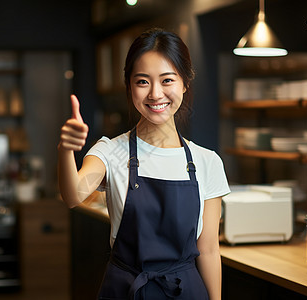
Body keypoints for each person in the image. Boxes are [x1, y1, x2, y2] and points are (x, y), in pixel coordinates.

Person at [58, 28, 230, 300]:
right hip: (126, 290)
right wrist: (66, 150)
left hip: (186, 291)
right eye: (142, 82)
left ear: (185, 83)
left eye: (167, 80)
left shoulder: (207, 161)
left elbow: (208, 249)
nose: (155, 93)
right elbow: (74, 195)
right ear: (129, 85)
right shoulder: (111, 150)